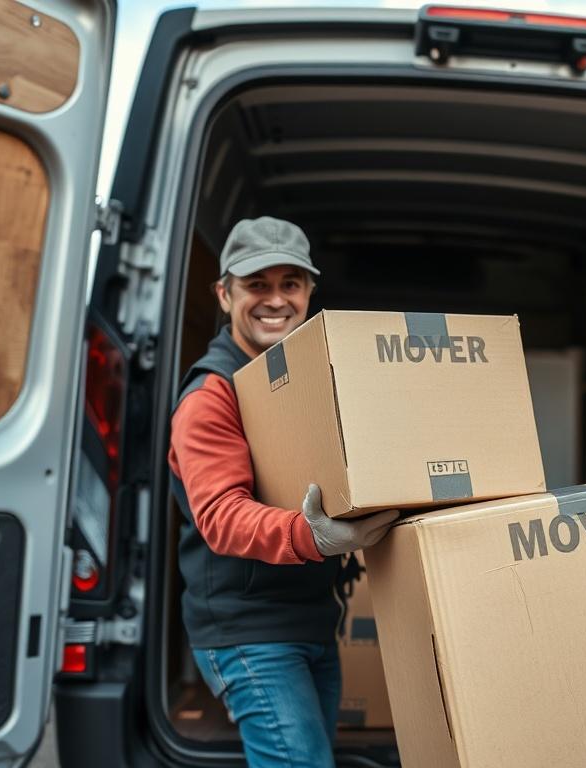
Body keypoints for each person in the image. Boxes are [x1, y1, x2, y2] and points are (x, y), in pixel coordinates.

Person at [168, 216, 398, 767]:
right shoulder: (211, 395)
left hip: (310, 619)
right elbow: (222, 516)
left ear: (310, 293)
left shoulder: (302, 381)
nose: (276, 300)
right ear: (224, 295)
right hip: (250, 634)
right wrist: (313, 535)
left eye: (290, 284)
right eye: (257, 284)